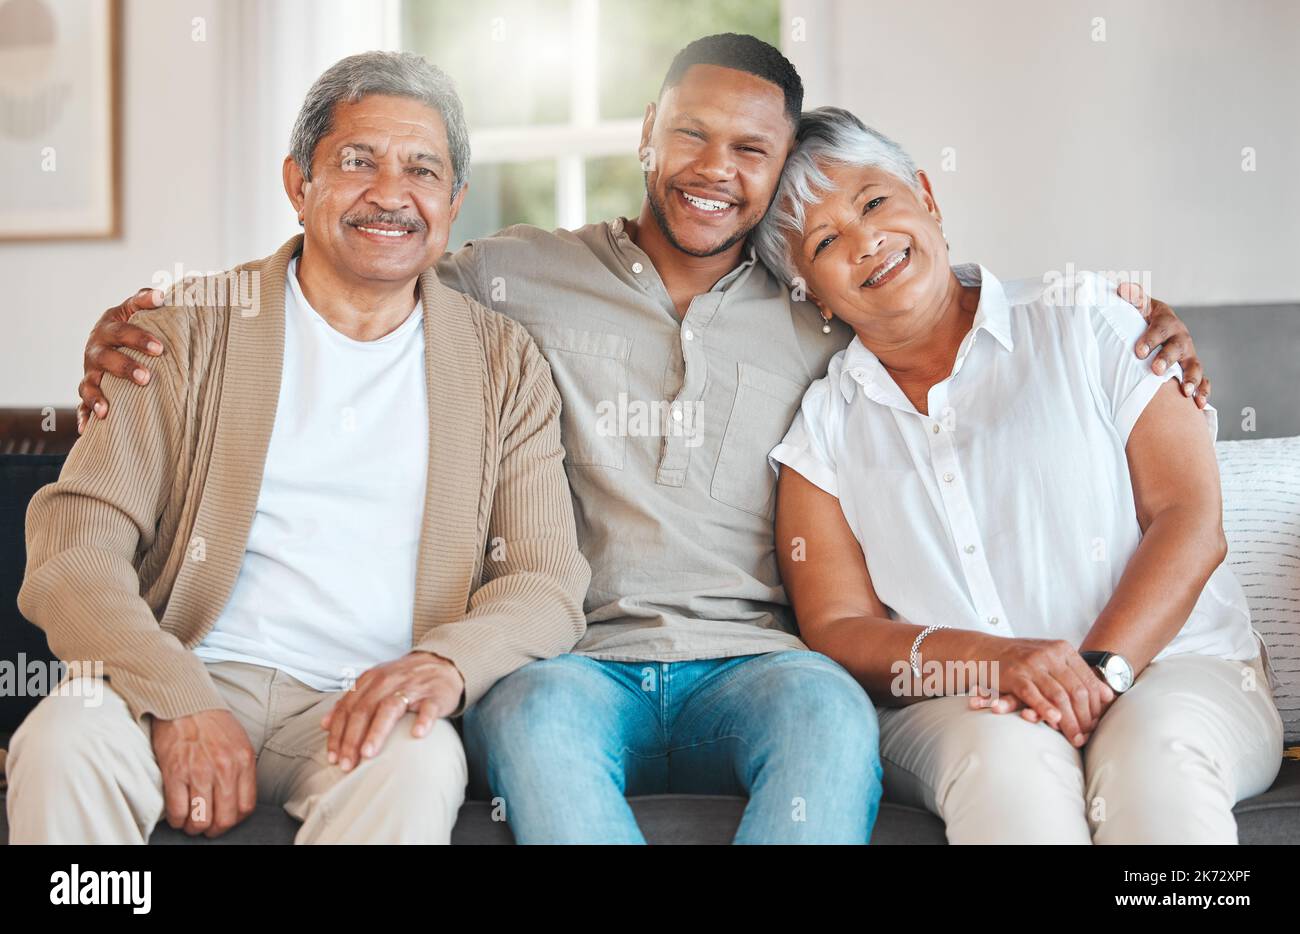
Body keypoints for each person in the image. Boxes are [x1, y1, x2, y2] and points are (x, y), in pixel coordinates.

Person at [72, 35, 1209, 844]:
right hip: (568, 660)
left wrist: (1129, 318)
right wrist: (147, 319)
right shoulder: (511, 273)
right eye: (692, 137)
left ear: (774, 179)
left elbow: (920, 285)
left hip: (760, 660)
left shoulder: (816, 294)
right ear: (646, 139)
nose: (717, 171)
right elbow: (361, 264)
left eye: (751, 153)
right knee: (540, 743)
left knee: (826, 724)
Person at [5, 51, 589, 844]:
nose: (391, 193)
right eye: (358, 162)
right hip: (186, 668)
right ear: (298, 185)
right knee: (62, 739)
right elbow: (77, 551)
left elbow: (543, 577)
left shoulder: (504, 364)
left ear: (453, 203)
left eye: (421, 170)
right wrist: (176, 696)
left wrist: (445, 666)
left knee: (420, 769)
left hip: (369, 706)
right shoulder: (181, 332)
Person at [758, 107, 1283, 843]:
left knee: (1155, 765)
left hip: (1174, 669)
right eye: (825, 241)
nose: (866, 240)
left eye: (874, 202)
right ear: (811, 291)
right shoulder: (822, 428)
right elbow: (839, 625)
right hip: (966, 702)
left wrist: (1098, 677)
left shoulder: (1091, 319)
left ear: (927, 198)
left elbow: (1189, 520)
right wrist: (1000, 663)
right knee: (1006, 771)